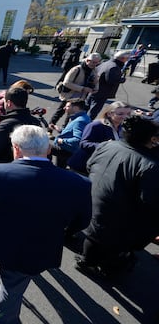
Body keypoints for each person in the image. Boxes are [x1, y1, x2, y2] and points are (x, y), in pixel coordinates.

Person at [0, 125, 91, 321]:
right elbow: (81, 221)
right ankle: (5, 319)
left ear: (16, 148)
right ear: (48, 150)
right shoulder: (79, 184)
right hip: (33, 249)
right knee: (12, 291)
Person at [76, 116, 159, 279]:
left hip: (90, 204)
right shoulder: (150, 165)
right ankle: (111, 268)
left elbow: (89, 165)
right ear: (151, 139)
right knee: (115, 250)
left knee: (94, 240)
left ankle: (86, 261)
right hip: (118, 221)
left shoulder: (108, 145)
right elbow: (149, 201)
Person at [0, 87, 40, 172]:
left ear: (8, 103)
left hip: (3, 171)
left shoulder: (6, 125)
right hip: (29, 170)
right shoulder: (36, 123)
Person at [68, 101, 131, 174]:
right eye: (120, 114)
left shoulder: (123, 128)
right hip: (82, 166)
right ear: (109, 114)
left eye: (128, 114)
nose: (125, 117)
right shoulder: (96, 125)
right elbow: (83, 144)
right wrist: (104, 145)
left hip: (100, 167)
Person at [50, 53, 100, 128]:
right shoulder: (77, 69)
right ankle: (50, 129)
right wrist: (82, 88)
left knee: (73, 115)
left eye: (97, 63)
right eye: (93, 62)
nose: (95, 64)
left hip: (81, 97)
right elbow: (66, 83)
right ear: (87, 60)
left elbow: (96, 81)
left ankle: (65, 130)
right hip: (69, 95)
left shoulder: (94, 70)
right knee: (60, 112)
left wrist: (95, 89)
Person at [86, 50, 129, 120]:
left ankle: (79, 125)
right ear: (122, 58)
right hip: (102, 92)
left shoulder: (106, 63)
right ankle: (84, 128)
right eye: (127, 59)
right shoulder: (114, 67)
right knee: (92, 112)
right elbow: (111, 80)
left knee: (86, 109)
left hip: (94, 89)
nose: (127, 61)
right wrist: (121, 80)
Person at [49, 99, 90, 168]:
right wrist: (60, 130)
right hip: (68, 148)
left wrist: (62, 141)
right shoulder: (82, 117)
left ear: (76, 108)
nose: (64, 108)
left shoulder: (79, 121)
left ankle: (44, 169)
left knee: (44, 147)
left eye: (67, 106)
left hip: (66, 149)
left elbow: (78, 139)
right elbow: (73, 132)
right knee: (60, 168)